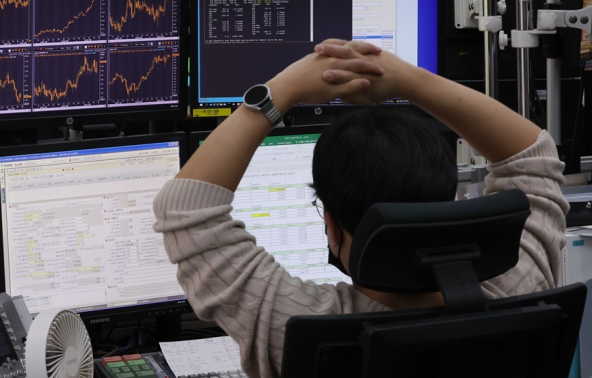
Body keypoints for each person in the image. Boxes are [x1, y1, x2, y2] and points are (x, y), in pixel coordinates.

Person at [152, 40, 568, 378]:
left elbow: (187, 207)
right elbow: (533, 158)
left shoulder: (296, 327)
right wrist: (408, 79)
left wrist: (283, 90)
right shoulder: (520, 293)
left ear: (332, 227)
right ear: (448, 207)